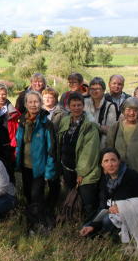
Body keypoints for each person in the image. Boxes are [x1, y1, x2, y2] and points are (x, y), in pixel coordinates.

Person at [80, 148, 138, 259]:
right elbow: (103, 206)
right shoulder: (105, 180)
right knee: (87, 226)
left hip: (134, 217)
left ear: (119, 161)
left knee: (107, 220)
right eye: (106, 161)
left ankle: (119, 241)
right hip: (113, 216)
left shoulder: (132, 176)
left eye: (113, 160)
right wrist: (92, 225)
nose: (110, 164)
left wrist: (123, 207)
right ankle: (106, 239)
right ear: (102, 165)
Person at [15, 91, 58, 232]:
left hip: (39, 168)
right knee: (28, 196)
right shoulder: (22, 121)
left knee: (36, 197)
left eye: (36, 101)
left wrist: (49, 172)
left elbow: (52, 149)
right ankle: (32, 223)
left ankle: (42, 224)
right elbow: (19, 144)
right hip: (26, 166)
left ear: (41, 103)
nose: (33, 105)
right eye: (30, 102)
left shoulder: (46, 124)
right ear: (26, 104)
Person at [57, 92, 101, 222]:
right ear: (68, 106)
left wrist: (81, 173)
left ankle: (90, 224)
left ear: (83, 106)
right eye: (73, 105)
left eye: (79, 105)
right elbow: (60, 140)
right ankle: (74, 218)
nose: (76, 108)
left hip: (84, 170)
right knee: (71, 194)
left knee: (87, 198)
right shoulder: (65, 120)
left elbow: (89, 152)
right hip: (67, 165)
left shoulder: (89, 125)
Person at [105, 97, 138, 189]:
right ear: (123, 110)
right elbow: (108, 149)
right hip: (117, 173)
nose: (131, 113)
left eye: (135, 110)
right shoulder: (115, 127)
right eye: (128, 110)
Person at [84, 77, 119, 146]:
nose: (94, 91)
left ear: (103, 90)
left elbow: (111, 131)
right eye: (92, 89)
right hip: (85, 144)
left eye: (97, 89)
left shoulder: (110, 107)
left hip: (102, 146)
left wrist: (94, 124)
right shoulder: (84, 103)